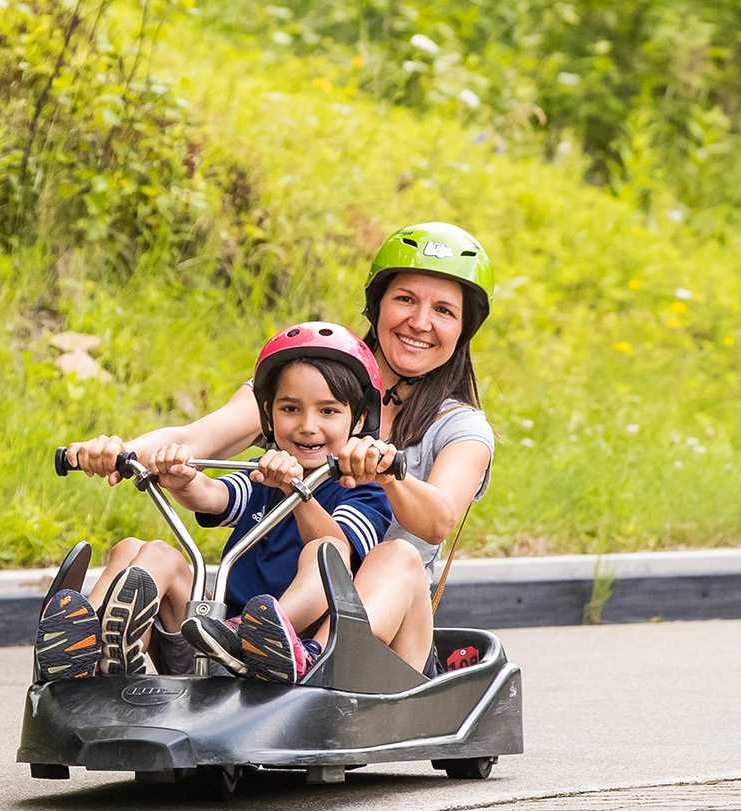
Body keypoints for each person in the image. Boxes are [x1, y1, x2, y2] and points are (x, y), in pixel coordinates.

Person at [54, 222, 497, 675]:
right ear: (376, 304)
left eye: (443, 310)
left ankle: (306, 656)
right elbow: (198, 439)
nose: (420, 322)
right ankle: (92, 663)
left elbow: (437, 520)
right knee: (135, 549)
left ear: (463, 328)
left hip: (377, 636)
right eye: (405, 299)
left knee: (388, 554)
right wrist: (120, 450)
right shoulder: (304, 375)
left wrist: (387, 474)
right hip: (268, 612)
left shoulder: (460, 428)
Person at [35, 322, 391, 683]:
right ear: (268, 414)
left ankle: (253, 637)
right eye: (290, 409)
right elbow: (212, 497)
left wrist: (296, 492)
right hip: (210, 641)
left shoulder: (362, 489)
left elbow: (336, 555)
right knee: (141, 550)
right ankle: (83, 652)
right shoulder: (261, 474)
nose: (307, 426)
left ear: (358, 419)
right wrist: (182, 479)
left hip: (285, 660)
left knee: (324, 548)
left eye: (328, 412)